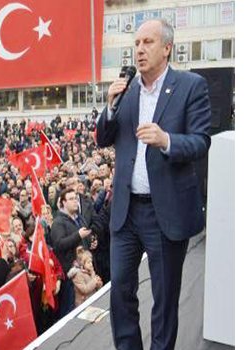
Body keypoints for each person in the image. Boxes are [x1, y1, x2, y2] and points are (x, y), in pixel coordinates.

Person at [96, 19, 211, 350]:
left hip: (165, 213)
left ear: (167, 48)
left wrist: (166, 140)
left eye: (148, 42)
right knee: (120, 292)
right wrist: (109, 105)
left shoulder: (191, 86)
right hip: (126, 213)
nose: (140, 49)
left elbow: (202, 141)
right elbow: (104, 137)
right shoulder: (127, 92)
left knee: (164, 299)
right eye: (137, 43)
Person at [50, 188, 92, 317]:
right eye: (71, 199)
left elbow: (85, 237)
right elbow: (59, 244)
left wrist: (91, 240)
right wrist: (78, 235)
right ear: (63, 203)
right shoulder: (58, 222)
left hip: (86, 268)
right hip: (72, 274)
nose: (75, 202)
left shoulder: (79, 218)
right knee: (74, 311)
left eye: (75, 198)